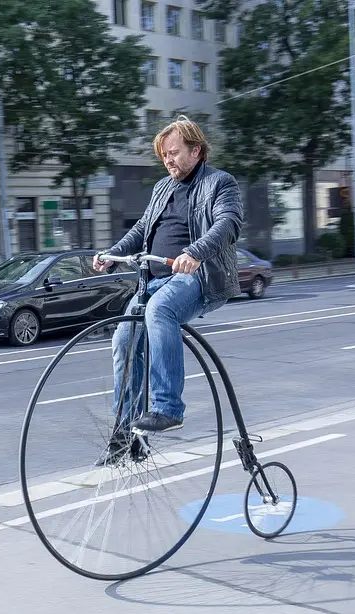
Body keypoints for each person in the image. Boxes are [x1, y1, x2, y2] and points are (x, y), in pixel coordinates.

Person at [92, 115, 244, 463]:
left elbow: (228, 224)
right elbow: (143, 229)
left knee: (160, 310)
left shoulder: (221, 183)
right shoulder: (162, 188)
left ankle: (168, 407)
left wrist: (195, 252)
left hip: (198, 277)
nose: (169, 160)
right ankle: (126, 433)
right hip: (153, 279)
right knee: (124, 340)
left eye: (174, 153)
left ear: (196, 150)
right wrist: (113, 254)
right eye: (164, 156)